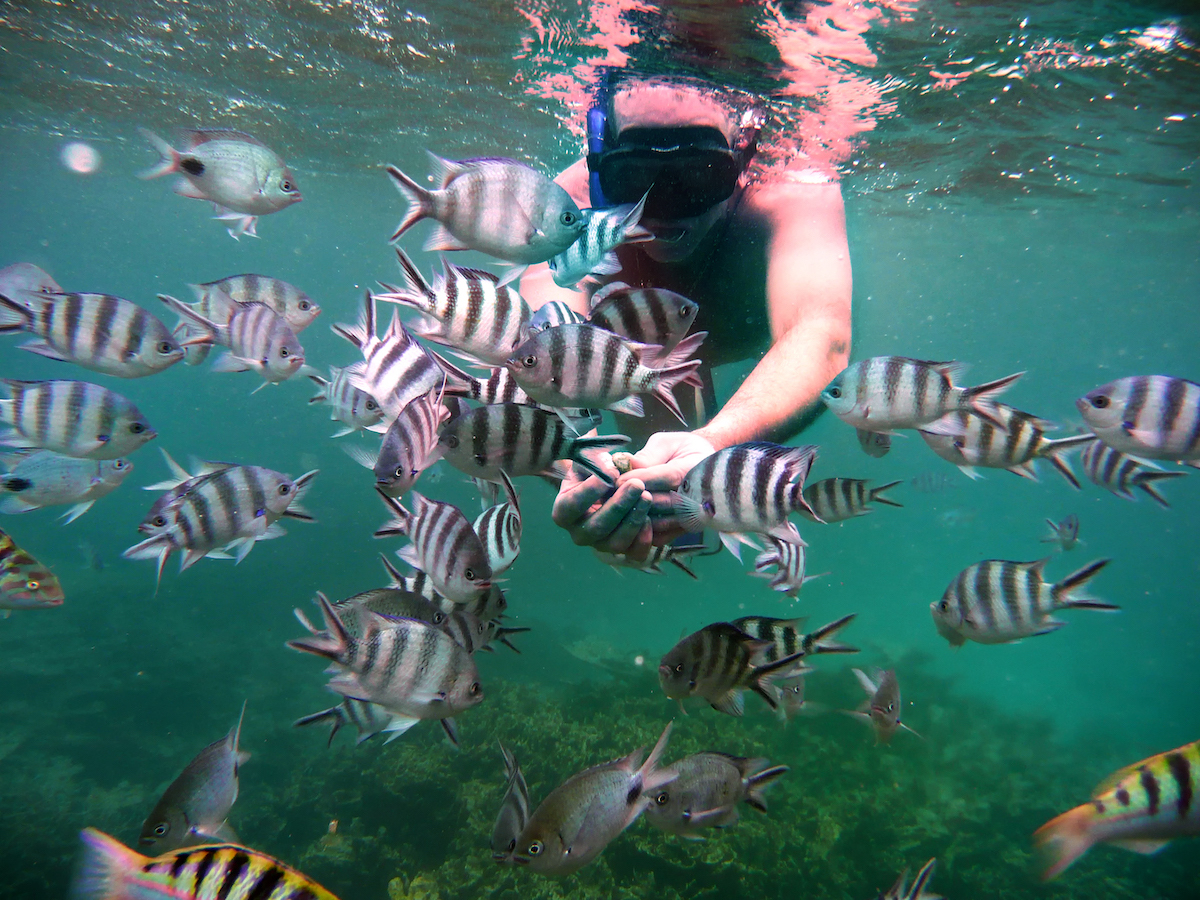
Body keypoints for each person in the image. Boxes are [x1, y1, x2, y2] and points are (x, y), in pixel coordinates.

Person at [518, 76, 852, 561]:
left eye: (699, 173)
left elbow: (821, 333)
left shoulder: (792, 191)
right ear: (599, 166)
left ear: (744, 156)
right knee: (640, 504)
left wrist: (713, 442)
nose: (666, 208)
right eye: (634, 177)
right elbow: (544, 346)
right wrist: (577, 452)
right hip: (633, 367)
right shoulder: (563, 209)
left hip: (650, 363)